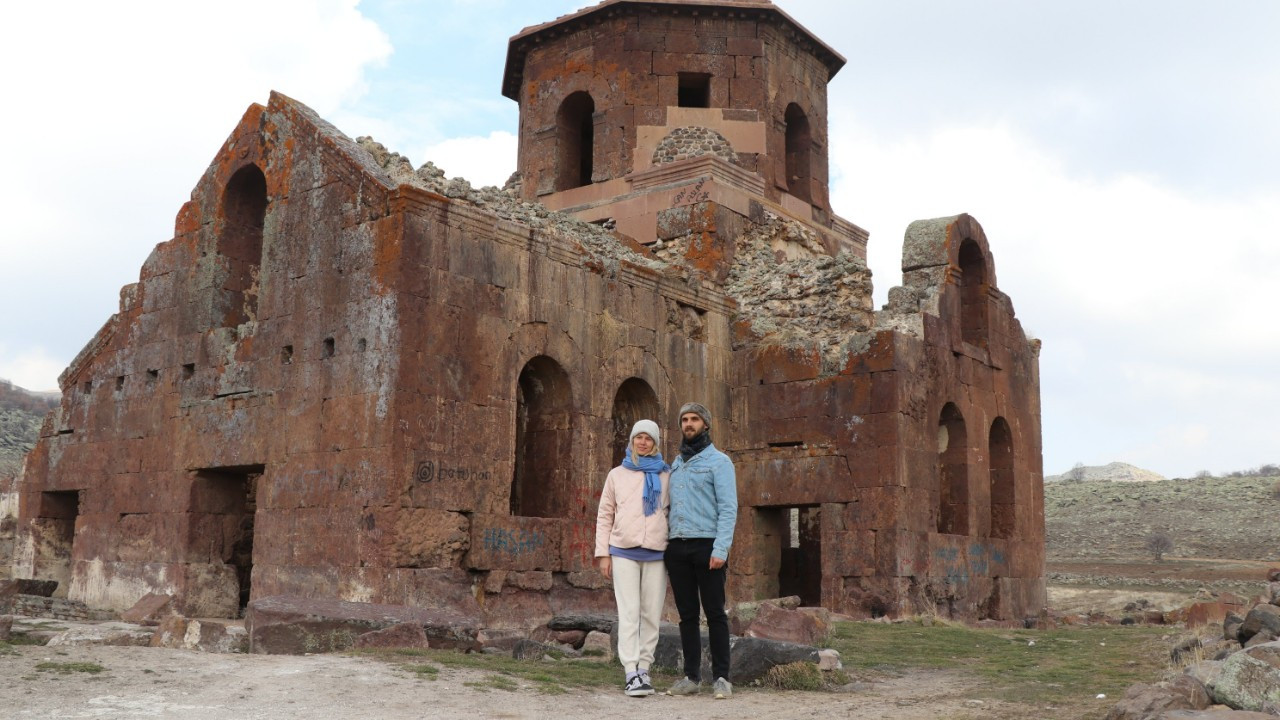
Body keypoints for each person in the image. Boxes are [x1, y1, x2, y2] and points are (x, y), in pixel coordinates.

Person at [663, 402, 737, 699]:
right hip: (678, 546)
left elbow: (728, 508)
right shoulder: (677, 464)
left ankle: (721, 677)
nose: (689, 424)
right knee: (687, 614)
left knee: (716, 613)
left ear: (706, 424)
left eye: (694, 419)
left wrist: (721, 548)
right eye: (684, 420)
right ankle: (691, 677)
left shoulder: (720, 462)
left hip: (707, 546)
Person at [594, 419, 670, 697]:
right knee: (629, 613)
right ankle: (630, 671)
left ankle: (645, 669)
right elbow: (605, 514)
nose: (642, 442)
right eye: (638, 437)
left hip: (657, 554)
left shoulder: (666, 475)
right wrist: (603, 553)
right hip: (623, 551)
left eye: (648, 438)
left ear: (655, 443)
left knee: (651, 614)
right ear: (631, 441)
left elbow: (671, 512)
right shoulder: (617, 474)